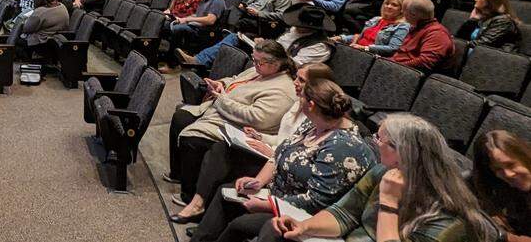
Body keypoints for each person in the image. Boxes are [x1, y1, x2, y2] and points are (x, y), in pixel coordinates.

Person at [187, 79, 375, 242]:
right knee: (226, 192)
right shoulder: (314, 122)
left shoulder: (343, 147)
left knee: (240, 224)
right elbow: (280, 154)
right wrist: (258, 181)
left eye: (301, 97)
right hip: (276, 194)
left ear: (310, 105)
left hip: (303, 215)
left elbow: (316, 201)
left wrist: (267, 204)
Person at [266, 114, 496, 242]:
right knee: (273, 233)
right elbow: (344, 213)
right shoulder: (382, 171)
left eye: (379, 139)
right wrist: (305, 227)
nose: (374, 143)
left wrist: (389, 201)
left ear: (401, 151)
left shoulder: (449, 215)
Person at [171, 63, 335, 224]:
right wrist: (261, 137)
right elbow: (284, 137)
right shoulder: (298, 103)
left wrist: (272, 151)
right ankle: (198, 205)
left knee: (222, 160)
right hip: (272, 152)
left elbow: (299, 153)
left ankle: (199, 209)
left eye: (301, 80)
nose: (295, 82)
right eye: (297, 77)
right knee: (221, 148)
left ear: (317, 86)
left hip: (277, 164)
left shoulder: (314, 113)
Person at [165, 39, 298, 204]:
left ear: (275, 64)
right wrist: (220, 83)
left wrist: (221, 99)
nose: (254, 64)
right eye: (253, 59)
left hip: (240, 127)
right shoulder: (260, 70)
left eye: (259, 62)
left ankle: (190, 194)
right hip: (222, 111)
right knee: (181, 117)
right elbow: (236, 79)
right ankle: (178, 174)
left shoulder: (282, 90)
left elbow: (256, 118)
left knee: (193, 139)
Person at [472, 130, 531, 242]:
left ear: (524, 157)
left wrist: (506, 237)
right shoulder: (506, 189)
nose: (508, 174)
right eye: (498, 169)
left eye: (511, 164)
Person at [165, 0, 227, 69]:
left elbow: (210, 20)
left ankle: (172, 65)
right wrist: (184, 19)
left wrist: (188, 19)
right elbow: (197, 16)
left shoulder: (217, 1)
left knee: (178, 29)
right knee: (167, 25)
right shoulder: (207, 0)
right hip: (197, 27)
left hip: (206, 32)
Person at [390, 0, 454, 73]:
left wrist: (393, 66)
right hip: (397, 67)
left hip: (407, 74)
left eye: (404, 10)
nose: (401, 12)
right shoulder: (416, 27)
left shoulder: (437, 33)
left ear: (413, 15)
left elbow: (425, 63)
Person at [332, 0, 410, 56]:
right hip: (356, 49)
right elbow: (361, 37)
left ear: (401, 10)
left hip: (371, 56)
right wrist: (341, 38)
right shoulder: (376, 19)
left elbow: (392, 48)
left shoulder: (402, 26)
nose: (389, 6)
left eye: (394, 5)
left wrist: (365, 48)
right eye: (387, 3)